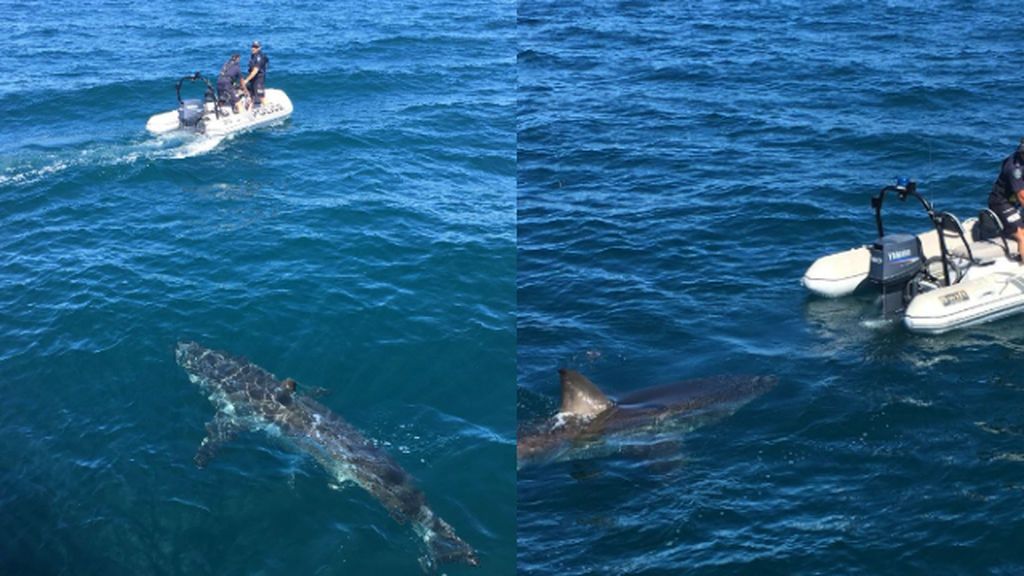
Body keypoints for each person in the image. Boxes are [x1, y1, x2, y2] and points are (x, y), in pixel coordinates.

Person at [988, 138, 1024, 260]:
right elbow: (1022, 196)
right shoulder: (1014, 169)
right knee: (1022, 235)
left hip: (1015, 202)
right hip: (1001, 203)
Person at [243, 40, 269, 107]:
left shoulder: (259, 57)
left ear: (259, 48)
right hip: (253, 78)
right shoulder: (253, 55)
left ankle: (267, 107)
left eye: (256, 47)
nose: (253, 48)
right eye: (253, 46)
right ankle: (250, 109)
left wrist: (247, 80)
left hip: (259, 78)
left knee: (261, 96)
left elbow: (255, 71)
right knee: (251, 94)